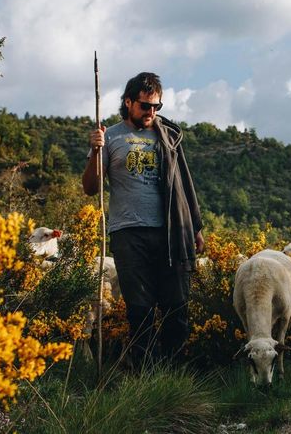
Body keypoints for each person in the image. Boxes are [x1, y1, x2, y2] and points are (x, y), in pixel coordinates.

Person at [83, 71, 204, 369]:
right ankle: (146, 376)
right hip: (128, 233)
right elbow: (90, 187)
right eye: (145, 106)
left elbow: (184, 184)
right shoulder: (110, 137)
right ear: (128, 102)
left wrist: (196, 229)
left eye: (156, 107)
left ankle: (174, 373)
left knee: (176, 305)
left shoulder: (169, 136)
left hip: (171, 230)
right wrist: (95, 152)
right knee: (140, 309)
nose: (151, 112)